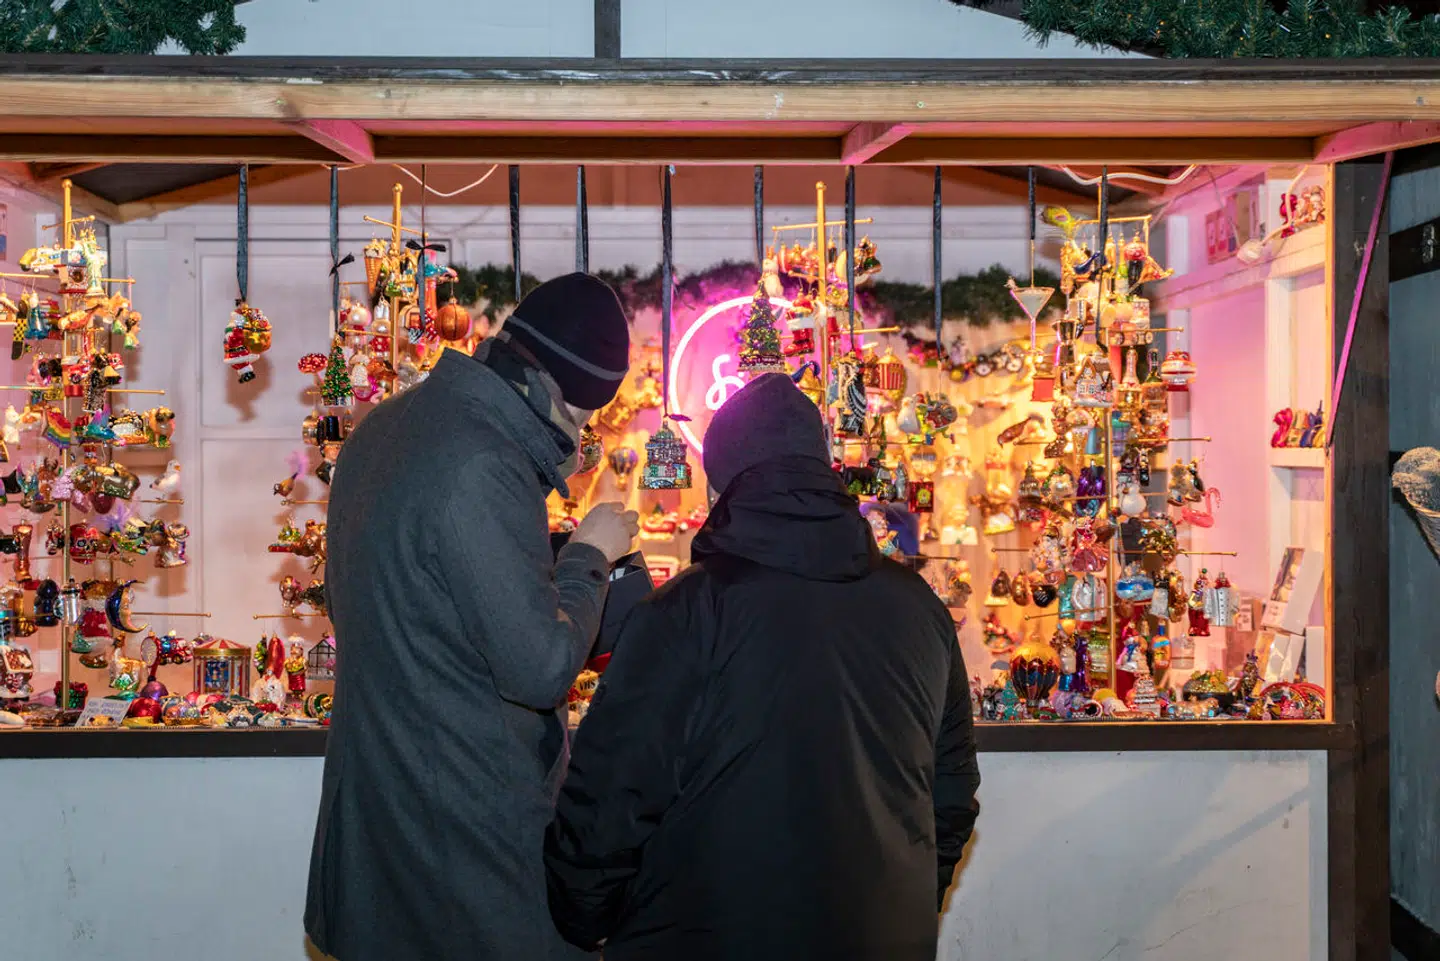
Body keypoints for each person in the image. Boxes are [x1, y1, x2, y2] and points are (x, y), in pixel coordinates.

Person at [545, 372, 980, 961]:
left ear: (721, 492)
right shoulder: (919, 606)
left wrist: (582, 915)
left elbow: (611, 799)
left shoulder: (687, 612)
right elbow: (950, 794)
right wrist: (892, 906)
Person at [306, 272, 640, 961]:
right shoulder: (483, 461)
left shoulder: (386, 427)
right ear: (550, 390)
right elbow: (542, 667)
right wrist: (588, 557)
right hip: (461, 848)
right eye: (579, 420)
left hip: (382, 830)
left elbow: (385, 604)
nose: (576, 441)